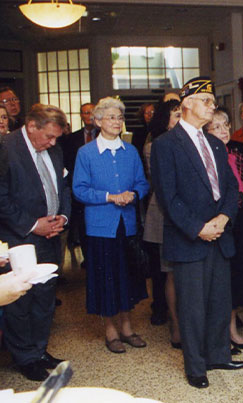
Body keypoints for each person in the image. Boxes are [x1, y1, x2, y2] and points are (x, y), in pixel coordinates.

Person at [151, 77, 243, 389]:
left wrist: (222, 218)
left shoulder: (216, 144)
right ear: (186, 104)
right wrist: (198, 227)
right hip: (189, 238)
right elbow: (168, 196)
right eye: (206, 100)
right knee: (192, 306)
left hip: (220, 234)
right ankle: (195, 366)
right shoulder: (166, 144)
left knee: (220, 299)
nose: (212, 106)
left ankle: (218, 354)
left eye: (213, 101)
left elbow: (231, 188)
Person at [72, 97, 150, 354]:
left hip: (127, 224)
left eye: (119, 117)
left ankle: (127, 327)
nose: (117, 122)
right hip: (99, 226)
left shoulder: (131, 151)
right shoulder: (86, 153)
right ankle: (110, 331)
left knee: (127, 276)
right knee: (105, 278)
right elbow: (79, 190)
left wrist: (134, 195)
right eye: (110, 117)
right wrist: (109, 197)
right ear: (97, 121)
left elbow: (143, 183)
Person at [0, 103, 70, 381]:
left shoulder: (54, 148)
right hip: (20, 237)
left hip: (51, 235)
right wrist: (33, 225)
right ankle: (25, 357)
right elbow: (1, 197)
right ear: (31, 127)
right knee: (21, 300)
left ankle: (39, 350)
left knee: (45, 298)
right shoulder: (6, 147)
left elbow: (63, 185)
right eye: (48, 137)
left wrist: (62, 217)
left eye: (56, 138)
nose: (52, 143)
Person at [204, 109, 243, 352]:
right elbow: (215, 194)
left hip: (242, 221)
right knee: (220, 281)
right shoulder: (206, 156)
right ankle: (220, 336)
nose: (223, 131)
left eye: (226, 125)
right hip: (220, 223)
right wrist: (242, 197)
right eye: (216, 127)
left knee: (238, 277)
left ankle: (232, 331)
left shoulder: (237, 150)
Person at [142, 99, 182, 347]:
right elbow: (162, 184)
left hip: (191, 215)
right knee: (171, 274)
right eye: (176, 115)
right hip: (165, 215)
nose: (179, 119)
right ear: (164, 121)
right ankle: (176, 326)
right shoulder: (152, 147)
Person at [59, 102, 97, 263]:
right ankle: (87, 257)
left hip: (100, 187)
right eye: (84, 113)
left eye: (90, 112)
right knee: (82, 224)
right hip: (79, 188)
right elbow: (67, 163)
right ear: (81, 116)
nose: (87, 116)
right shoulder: (72, 138)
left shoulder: (104, 135)